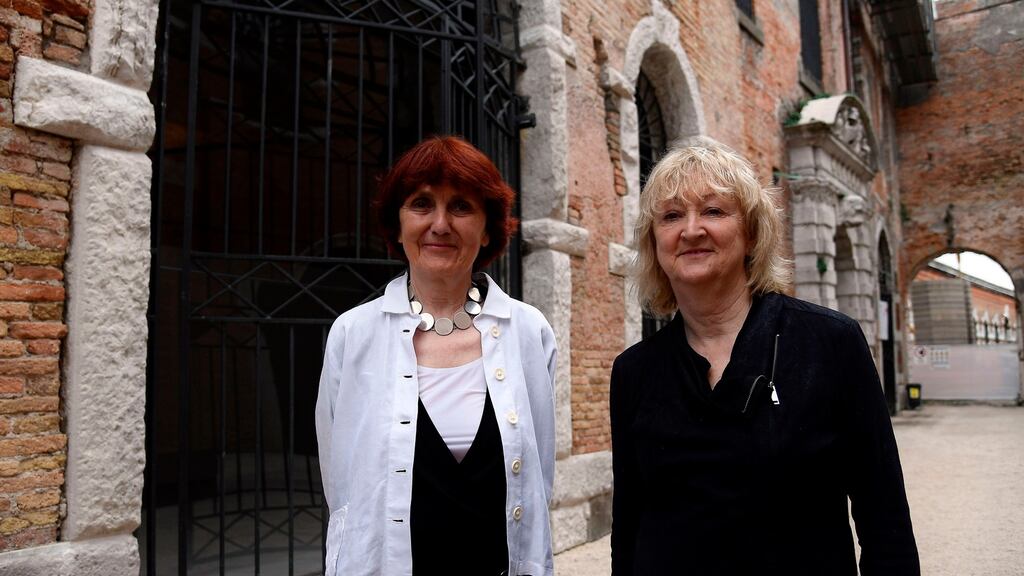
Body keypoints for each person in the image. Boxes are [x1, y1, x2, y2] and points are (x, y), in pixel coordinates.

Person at [610, 138, 919, 575]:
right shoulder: (634, 371)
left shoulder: (830, 343)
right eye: (672, 216)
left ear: (752, 233)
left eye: (714, 211)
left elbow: (883, 514)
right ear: (654, 242)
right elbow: (630, 523)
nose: (691, 229)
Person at [315, 136, 556, 576]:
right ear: (397, 222)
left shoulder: (528, 332)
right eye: (421, 204)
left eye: (461, 207)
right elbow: (342, 485)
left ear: (486, 229)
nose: (440, 224)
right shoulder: (353, 335)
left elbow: (538, 480)